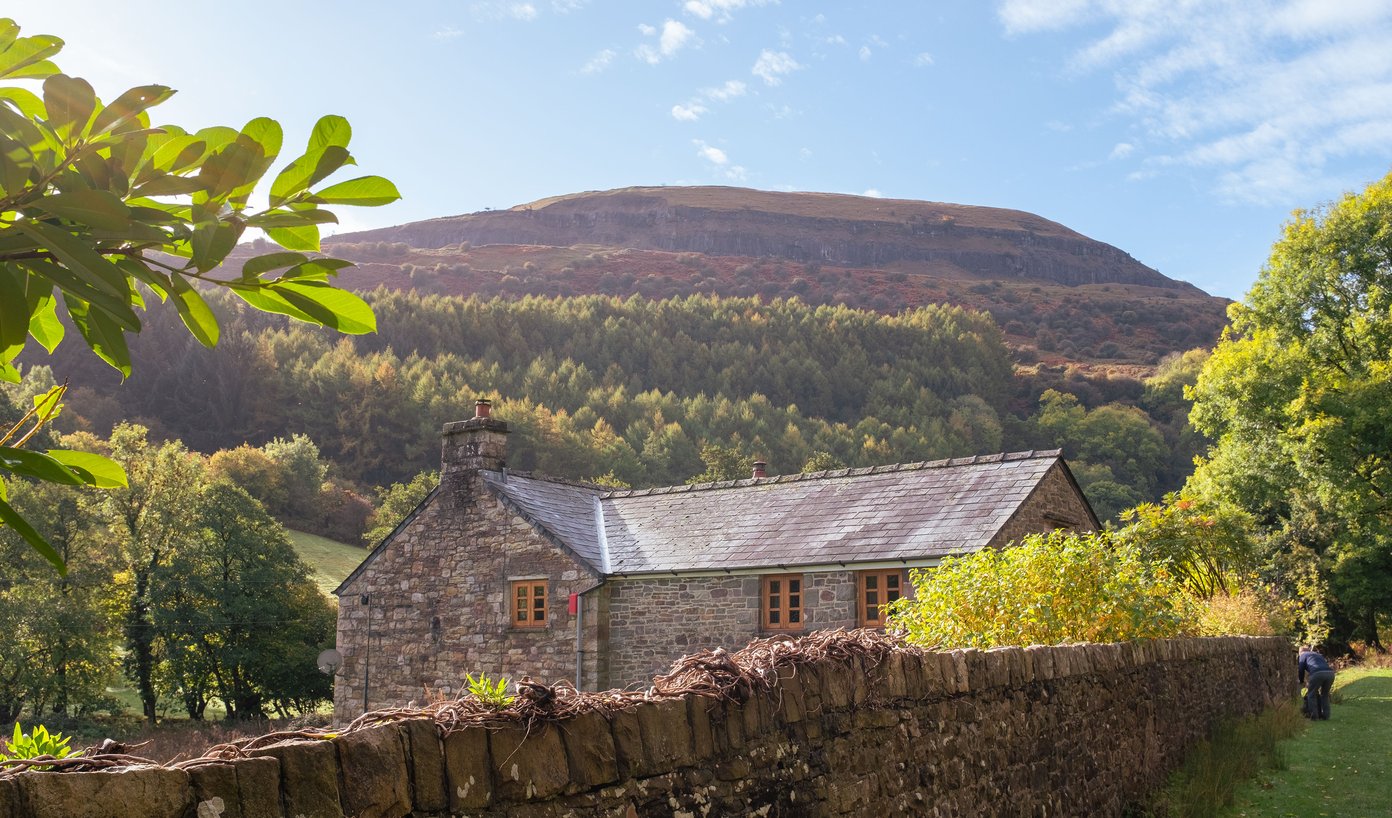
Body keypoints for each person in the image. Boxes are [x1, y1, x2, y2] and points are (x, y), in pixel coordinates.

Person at [1297, 645, 1335, 720]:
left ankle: (1314, 716)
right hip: (1330, 673)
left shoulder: (1303, 655)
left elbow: (1301, 669)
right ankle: (1326, 716)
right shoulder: (1317, 655)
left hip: (1317, 674)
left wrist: (1301, 681)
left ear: (1300, 652)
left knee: (1311, 694)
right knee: (1325, 695)